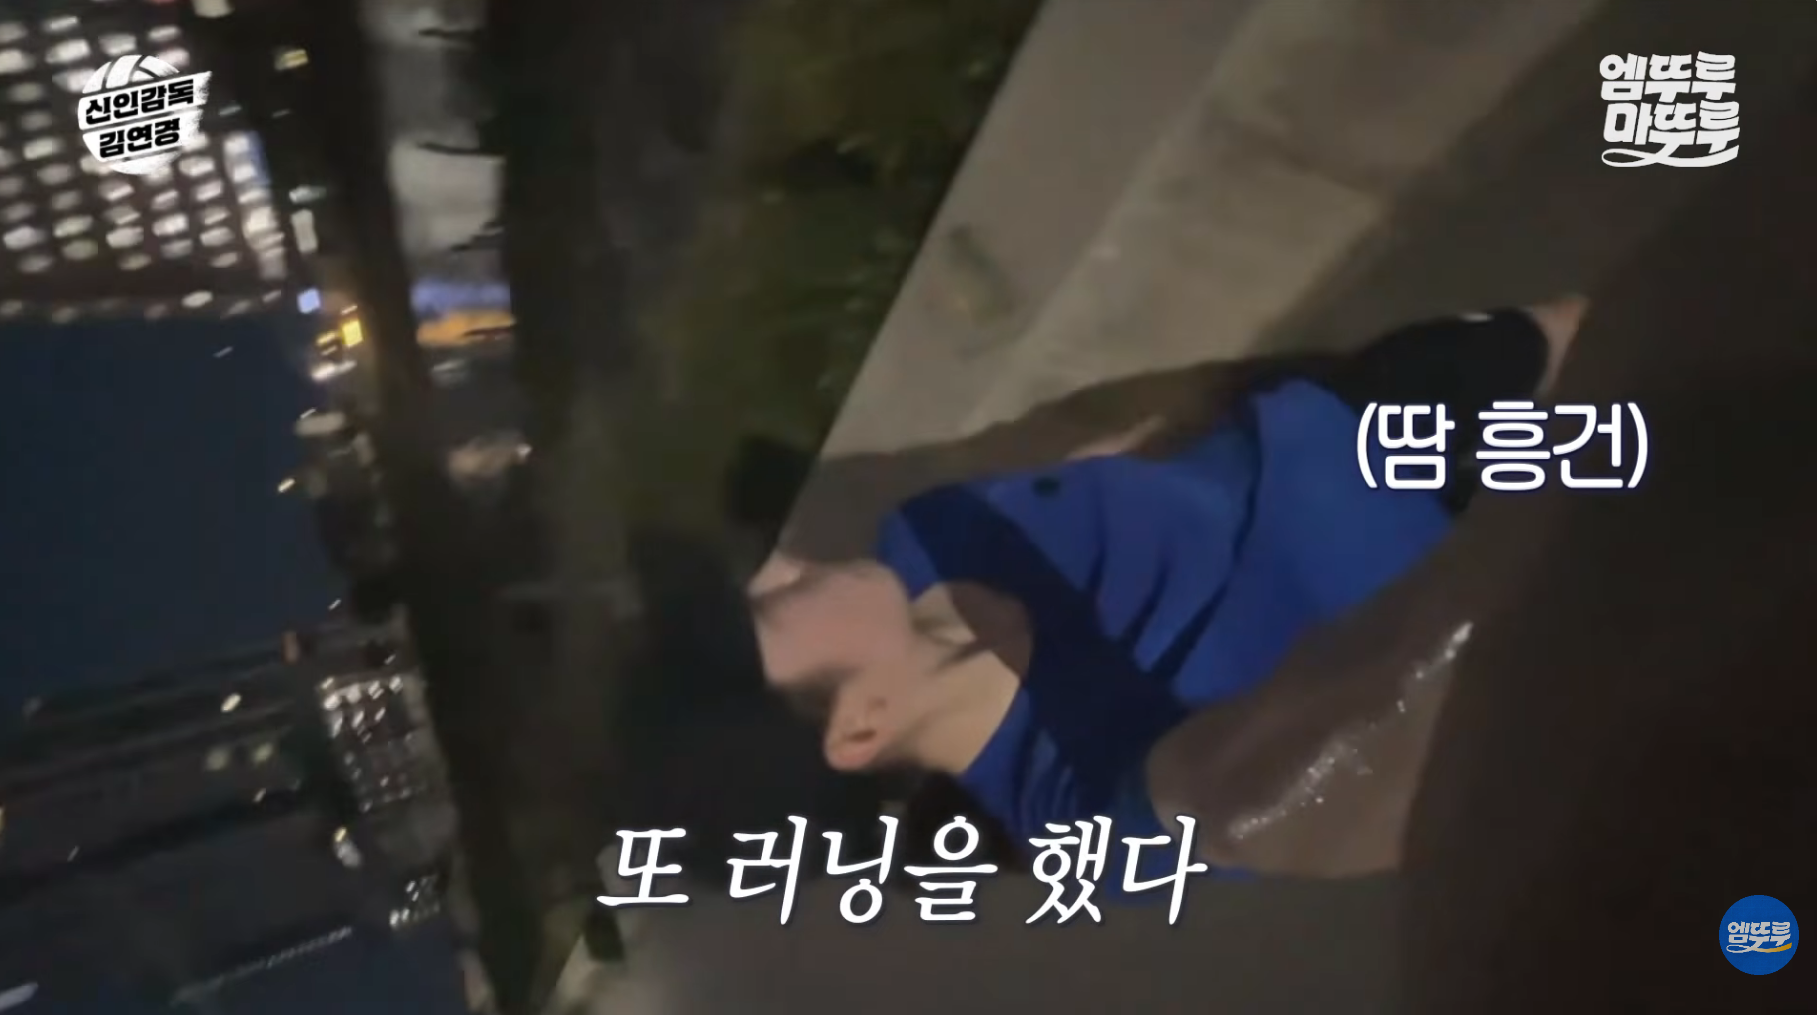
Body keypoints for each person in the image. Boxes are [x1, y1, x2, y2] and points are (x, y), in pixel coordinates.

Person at [746, 299, 1587, 881]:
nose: (780, 557)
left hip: (1362, 411)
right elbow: (1316, 789)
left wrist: (1268, 392)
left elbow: (1113, 458)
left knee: (1641, 314)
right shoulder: (1087, 811)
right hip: (1485, 572)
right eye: (760, 605)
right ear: (859, 726)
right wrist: (1494, 602)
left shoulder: (923, 532)